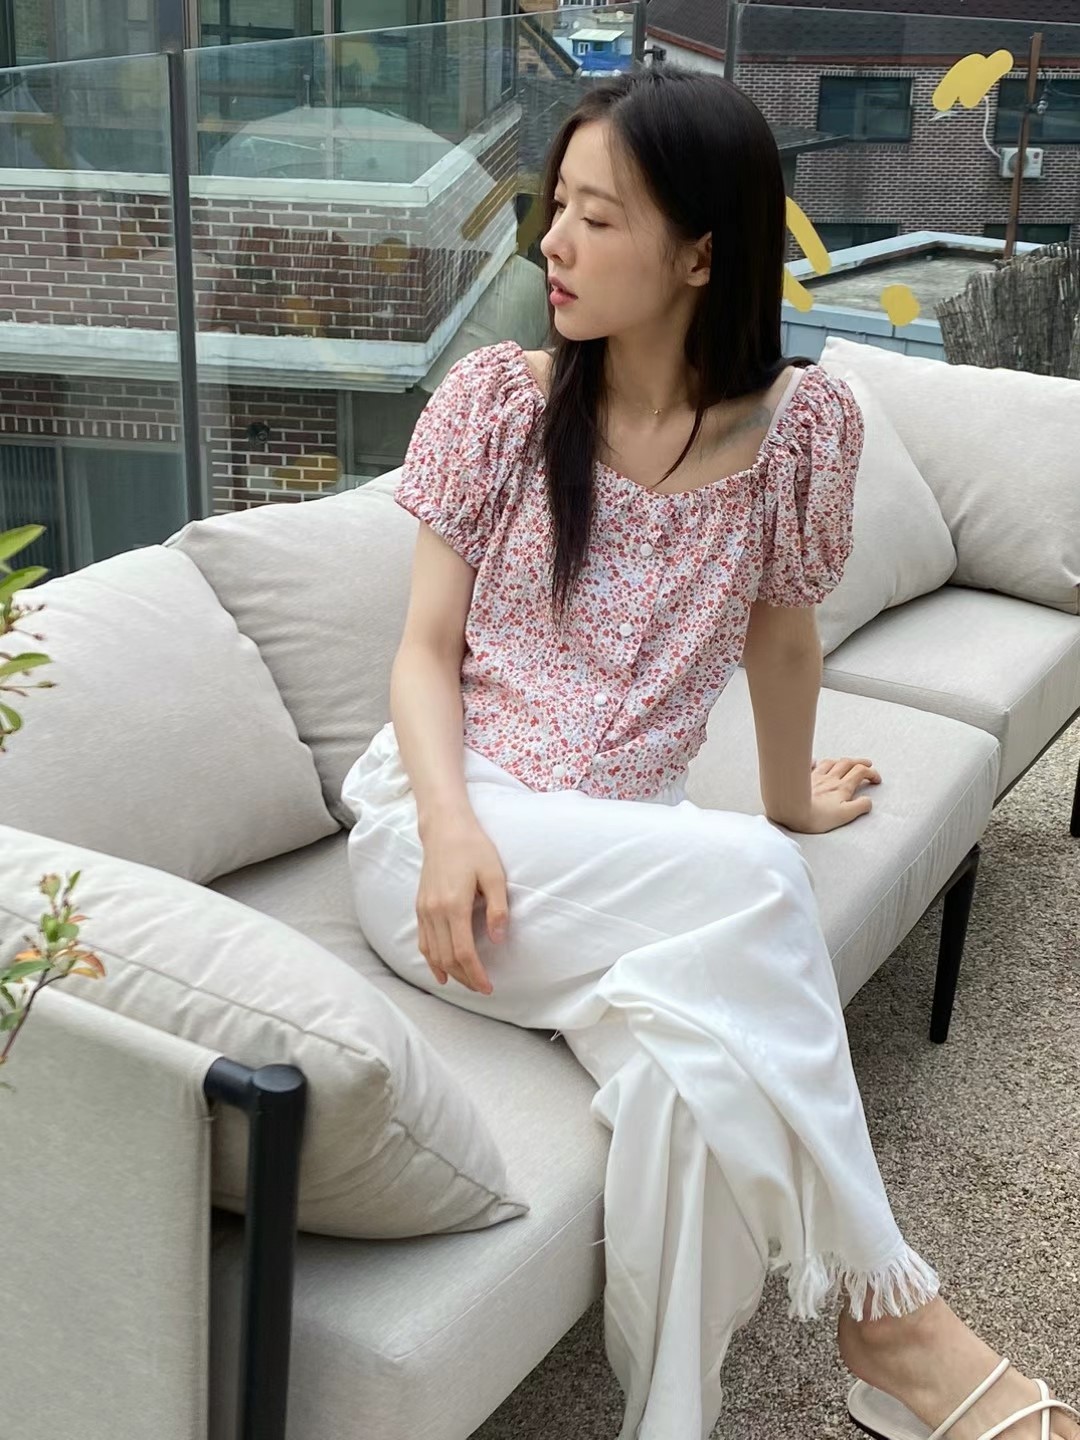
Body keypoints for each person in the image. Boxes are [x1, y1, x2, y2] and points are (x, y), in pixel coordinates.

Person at [342, 68, 1079, 1440]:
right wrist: (447, 827)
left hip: (623, 864)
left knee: (693, 1099)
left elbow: (782, 642)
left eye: (597, 216)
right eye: (556, 208)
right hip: (448, 846)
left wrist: (790, 795)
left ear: (699, 253)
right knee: (752, 877)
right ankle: (896, 1320)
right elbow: (421, 654)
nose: (554, 243)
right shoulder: (499, 402)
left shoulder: (799, 433)